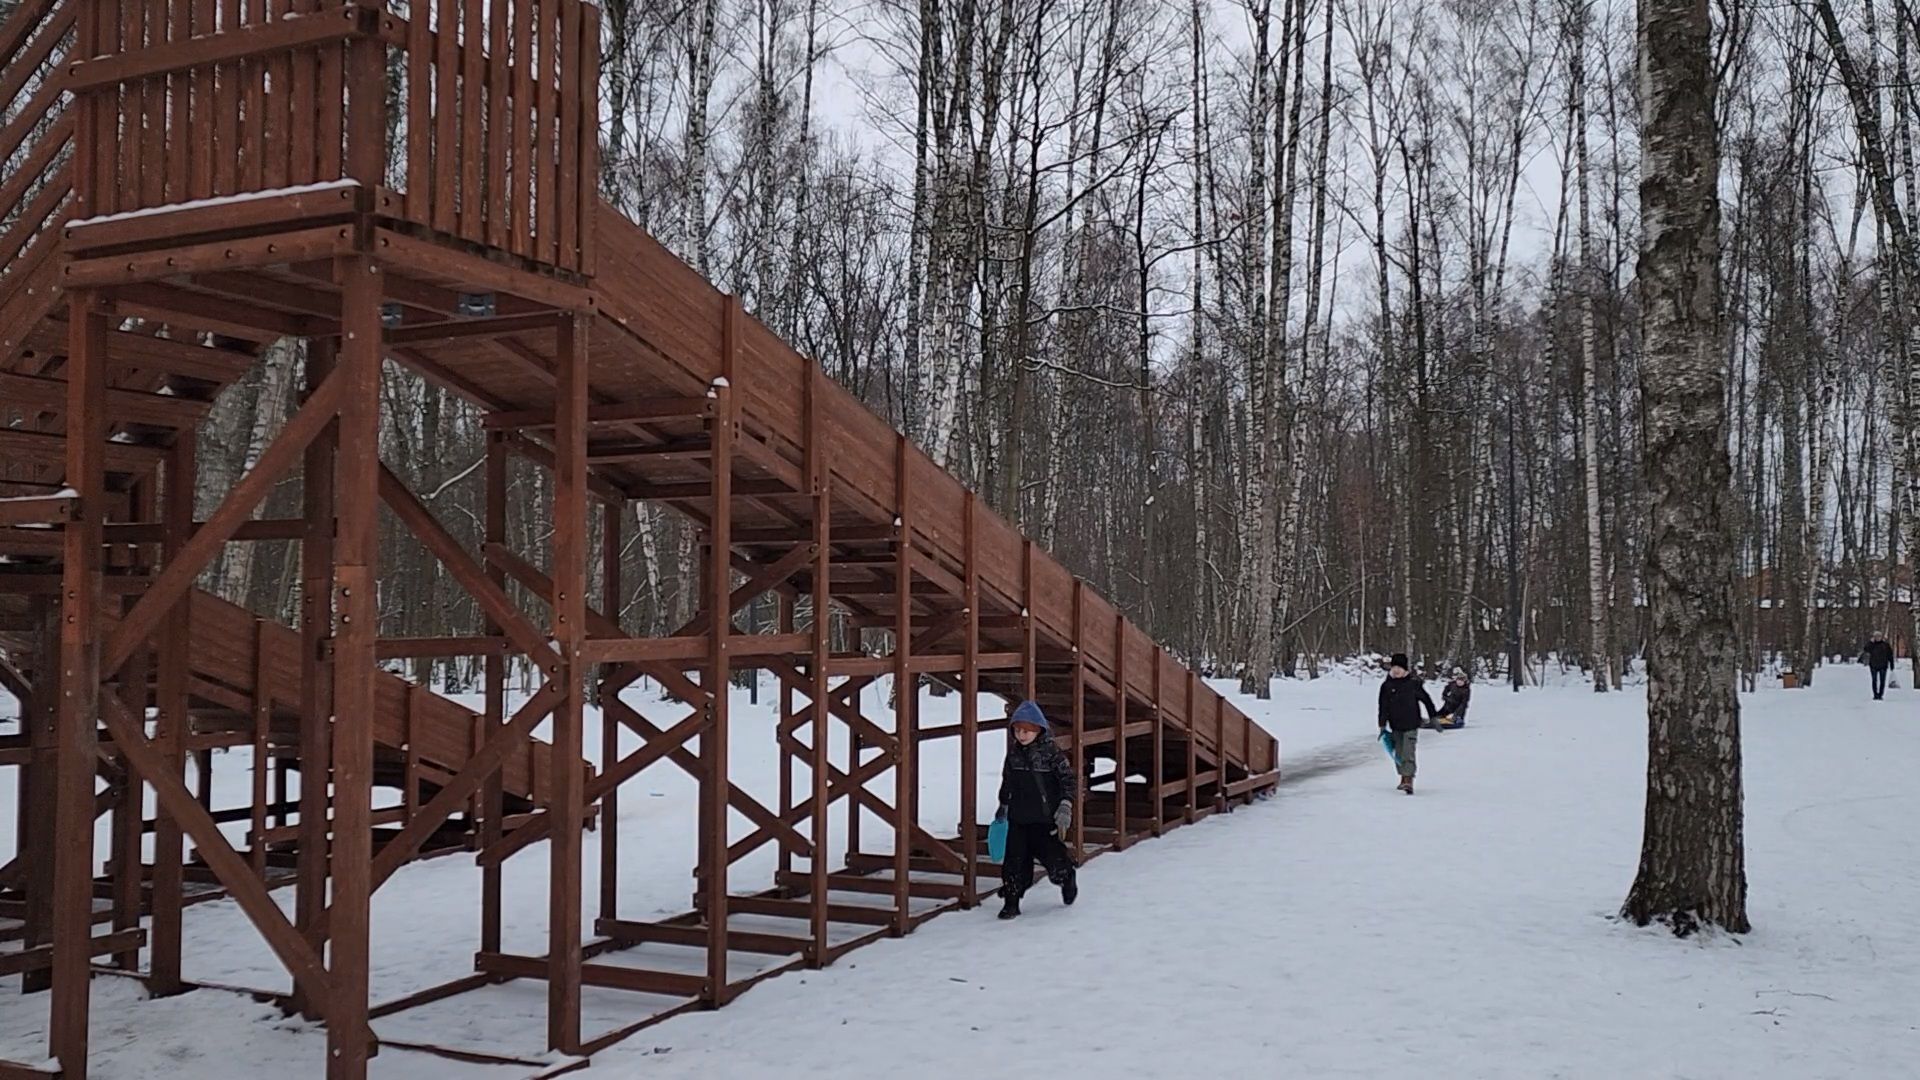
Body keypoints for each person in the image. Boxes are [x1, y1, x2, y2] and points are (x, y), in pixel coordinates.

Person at [995, 700, 1078, 919]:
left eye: (1026, 731)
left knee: (1054, 861)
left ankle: (1067, 877)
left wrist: (1065, 805)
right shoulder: (1013, 755)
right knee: (1014, 863)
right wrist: (1003, 805)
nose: (1021, 735)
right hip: (1019, 819)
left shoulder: (1051, 754)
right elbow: (1007, 781)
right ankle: (1011, 901)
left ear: (1038, 730)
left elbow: (1068, 781)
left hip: (1044, 821)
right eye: (1017, 730)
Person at [1379, 653, 1437, 794]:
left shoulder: (1413, 684)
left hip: (1411, 724)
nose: (1396, 670)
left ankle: (1408, 780)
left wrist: (1433, 717)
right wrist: (1382, 724)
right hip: (1395, 725)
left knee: (1408, 753)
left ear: (1405, 669)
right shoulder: (1387, 686)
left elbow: (1426, 700)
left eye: (1399, 667)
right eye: (1394, 667)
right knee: (1399, 753)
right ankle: (1403, 777)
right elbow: (1383, 706)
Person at [1864, 633, 1896, 701]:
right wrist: (1870, 642)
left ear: (1881, 637)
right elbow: (1866, 649)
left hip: (1883, 666)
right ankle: (1875, 695)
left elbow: (1890, 655)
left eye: (1879, 636)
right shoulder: (1872, 645)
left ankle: (1880, 695)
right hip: (1873, 665)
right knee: (1874, 680)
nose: (1877, 638)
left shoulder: (1885, 645)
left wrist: (1892, 664)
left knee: (1882, 681)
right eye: (1876, 637)